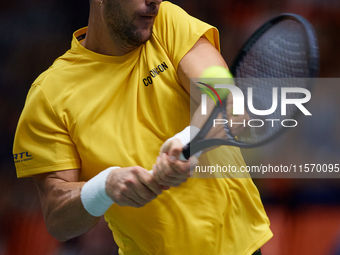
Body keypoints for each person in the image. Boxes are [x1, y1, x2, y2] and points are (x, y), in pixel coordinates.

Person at [13, 0, 273, 254]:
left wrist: (188, 141)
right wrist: (105, 186)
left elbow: (229, 105)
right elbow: (57, 217)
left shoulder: (167, 22)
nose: (154, 1)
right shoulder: (49, 94)